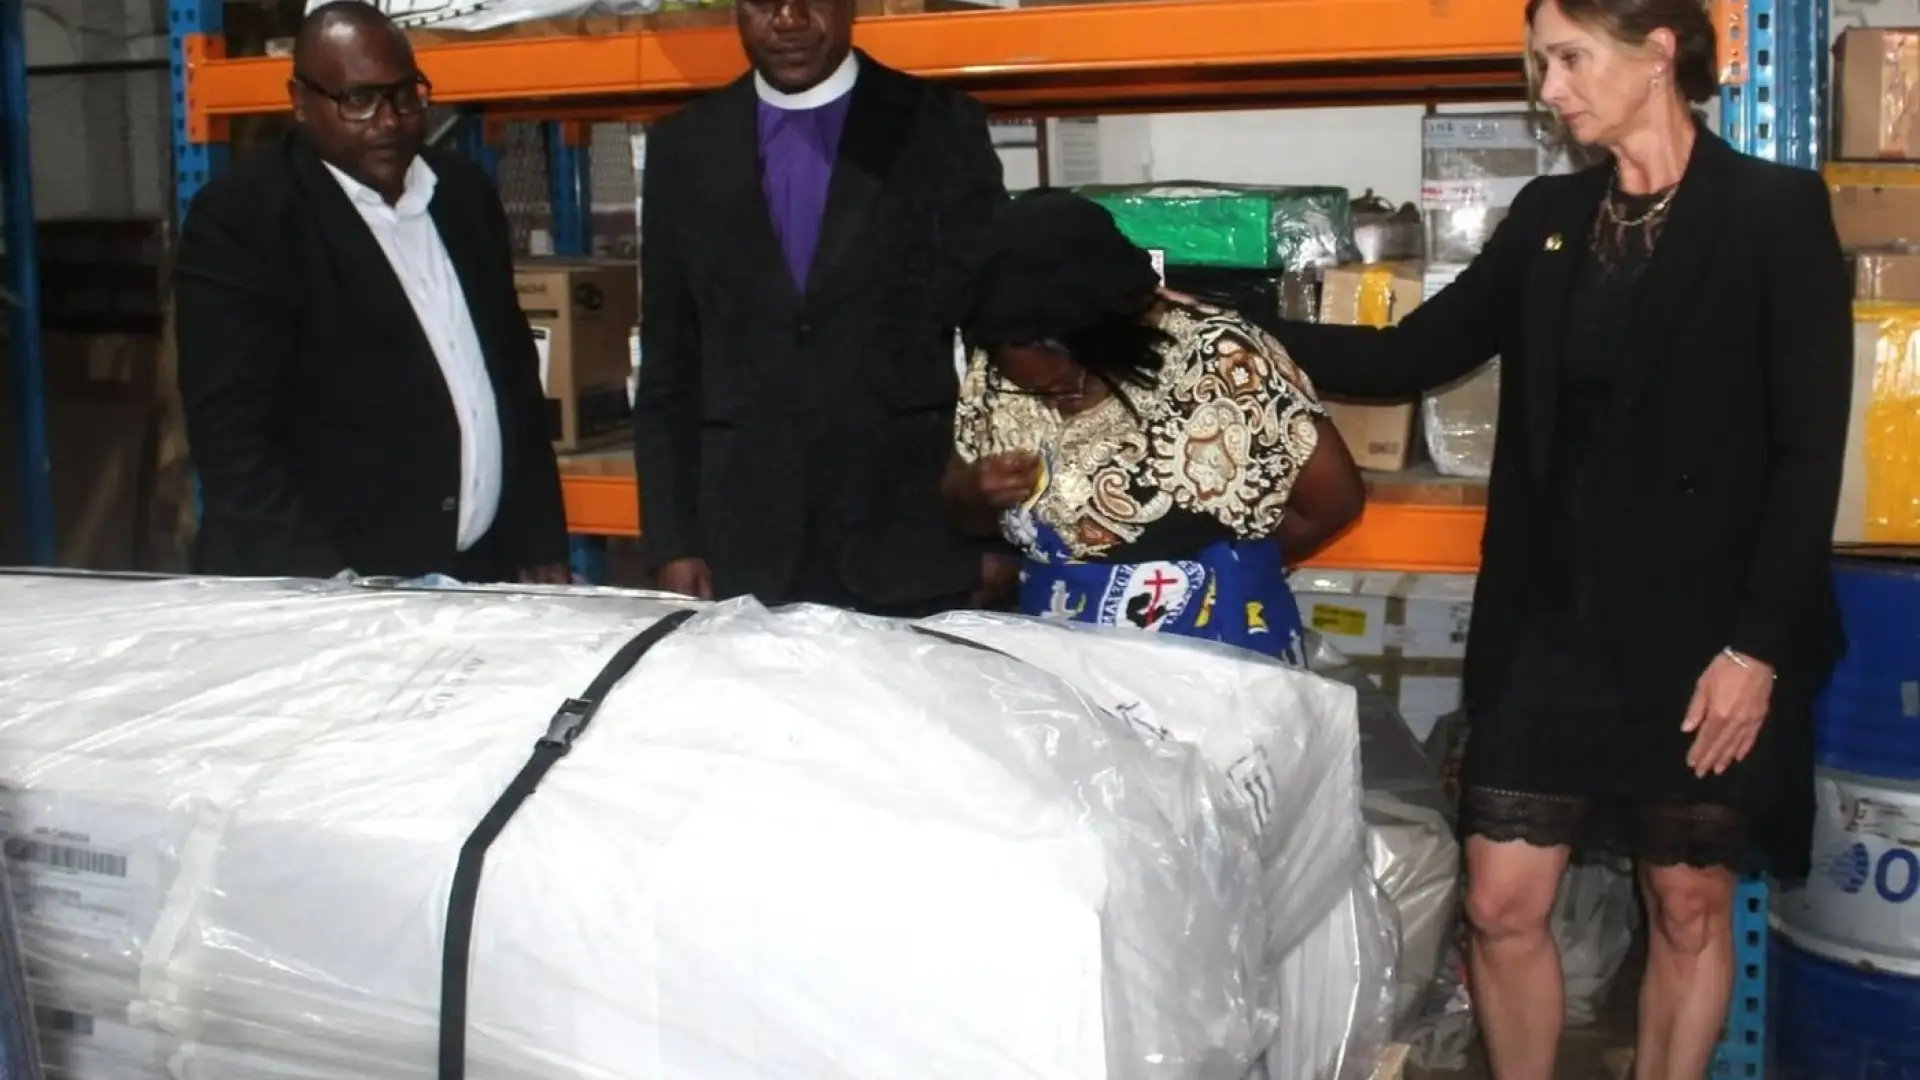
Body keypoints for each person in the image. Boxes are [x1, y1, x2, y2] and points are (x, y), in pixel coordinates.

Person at [1266, 0, 1852, 1075]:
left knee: (1686, 905)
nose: (1550, 90)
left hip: (1706, 633)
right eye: (1542, 63)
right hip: (1551, 625)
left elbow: (1807, 454)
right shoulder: (1550, 213)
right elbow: (1408, 358)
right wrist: (1219, 321)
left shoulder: (1774, 211)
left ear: (1658, 53)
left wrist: (1756, 651)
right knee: (1500, 905)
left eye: (1571, 59)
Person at [632, 0, 1011, 614]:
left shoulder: (939, 125)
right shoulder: (684, 146)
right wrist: (672, 539)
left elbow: (995, 327)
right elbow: (669, 358)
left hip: (911, 538)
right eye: (764, 2)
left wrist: (993, 535)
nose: (789, 19)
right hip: (745, 546)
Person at [174, 1, 568, 584]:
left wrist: (540, 541)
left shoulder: (462, 195)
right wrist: (330, 593)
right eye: (358, 100)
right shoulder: (246, 219)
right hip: (331, 591)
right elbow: (233, 443)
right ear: (301, 102)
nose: (388, 121)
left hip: (478, 572)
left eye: (404, 95)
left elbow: (512, 377)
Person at [943, 190, 1365, 662]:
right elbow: (968, 514)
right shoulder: (992, 366)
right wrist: (973, 493)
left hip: (1205, 660)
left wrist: (1224, 568)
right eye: (1033, 391)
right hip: (1062, 654)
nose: (1057, 405)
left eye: (1068, 385)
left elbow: (1332, 505)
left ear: (1109, 338)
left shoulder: (1222, 362)